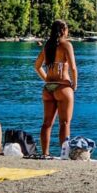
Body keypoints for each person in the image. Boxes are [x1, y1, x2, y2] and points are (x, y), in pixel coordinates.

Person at [34, 19, 77, 158]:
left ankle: (45, 153)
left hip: (48, 88)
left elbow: (37, 66)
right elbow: (73, 68)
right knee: (64, 123)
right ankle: (64, 155)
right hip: (63, 87)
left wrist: (47, 79)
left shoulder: (48, 46)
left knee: (47, 123)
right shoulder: (66, 45)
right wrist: (74, 84)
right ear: (63, 30)